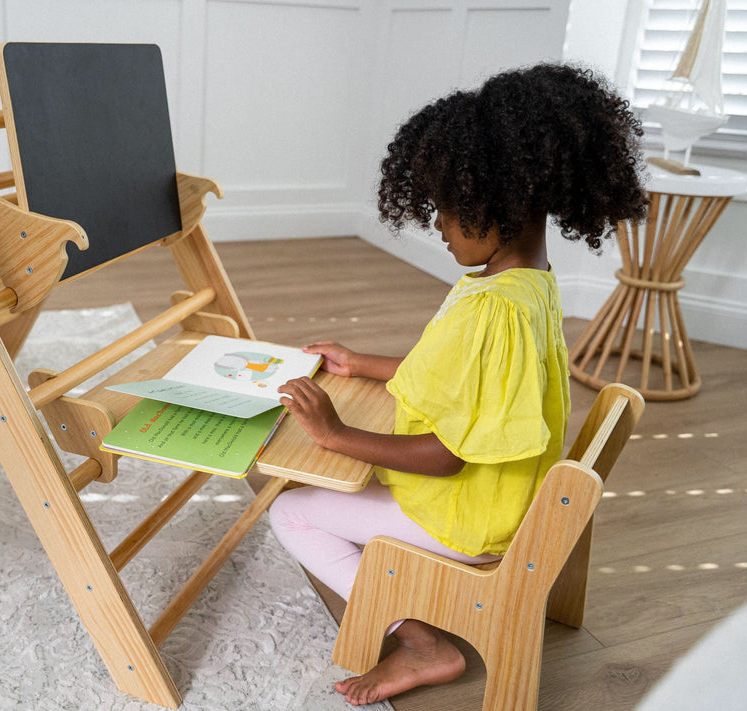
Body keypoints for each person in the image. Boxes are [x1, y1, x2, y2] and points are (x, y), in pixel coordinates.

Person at [268, 63, 648, 706]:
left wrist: (337, 435)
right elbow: (465, 385)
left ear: (500, 205)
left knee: (293, 511)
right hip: (510, 497)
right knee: (334, 472)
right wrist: (365, 364)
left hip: (470, 517)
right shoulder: (527, 285)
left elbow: (445, 456)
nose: (438, 226)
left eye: (448, 209)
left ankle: (421, 642)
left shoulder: (492, 308)